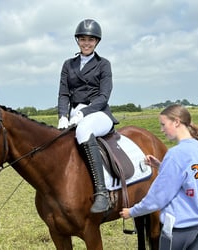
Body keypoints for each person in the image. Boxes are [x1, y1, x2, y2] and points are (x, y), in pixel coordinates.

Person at [119, 104, 198, 249]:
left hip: (178, 229)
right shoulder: (197, 146)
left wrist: (132, 211)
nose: (161, 130)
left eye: (163, 124)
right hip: (197, 224)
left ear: (177, 122)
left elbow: (157, 198)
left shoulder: (175, 154)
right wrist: (161, 166)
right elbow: (188, 176)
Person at [57, 19, 118, 213]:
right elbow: (64, 93)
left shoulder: (103, 64)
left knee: (84, 129)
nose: (86, 43)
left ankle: (102, 192)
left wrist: (84, 112)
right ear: (78, 41)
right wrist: (62, 116)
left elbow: (104, 96)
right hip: (74, 113)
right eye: (83, 39)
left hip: (98, 113)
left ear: (96, 42)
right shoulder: (68, 65)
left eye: (90, 40)